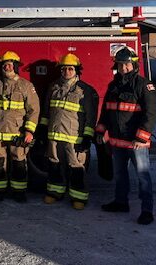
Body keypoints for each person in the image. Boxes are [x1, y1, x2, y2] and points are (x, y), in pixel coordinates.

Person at [96, 46, 156, 225]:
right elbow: (107, 111)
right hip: (117, 140)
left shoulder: (144, 85)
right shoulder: (113, 86)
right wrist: (100, 130)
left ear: (134, 65)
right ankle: (121, 202)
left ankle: (147, 210)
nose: (124, 68)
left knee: (143, 176)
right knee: (120, 175)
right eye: (121, 65)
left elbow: (151, 114)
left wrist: (141, 137)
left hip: (136, 142)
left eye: (127, 65)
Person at [39, 53, 98, 210]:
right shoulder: (53, 87)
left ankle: (78, 197)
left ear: (77, 70)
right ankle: (55, 193)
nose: (67, 72)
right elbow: (46, 112)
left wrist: (87, 137)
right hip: (54, 137)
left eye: (70, 69)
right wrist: (42, 129)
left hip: (74, 139)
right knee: (54, 165)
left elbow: (91, 117)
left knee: (76, 168)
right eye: (64, 69)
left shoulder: (85, 90)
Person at [0, 51, 40, 202]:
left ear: (15, 66)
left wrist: (29, 131)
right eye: (4, 64)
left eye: (10, 64)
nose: (7, 67)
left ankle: (19, 192)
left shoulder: (26, 86)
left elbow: (33, 110)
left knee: (19, 163)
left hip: (18, 134)